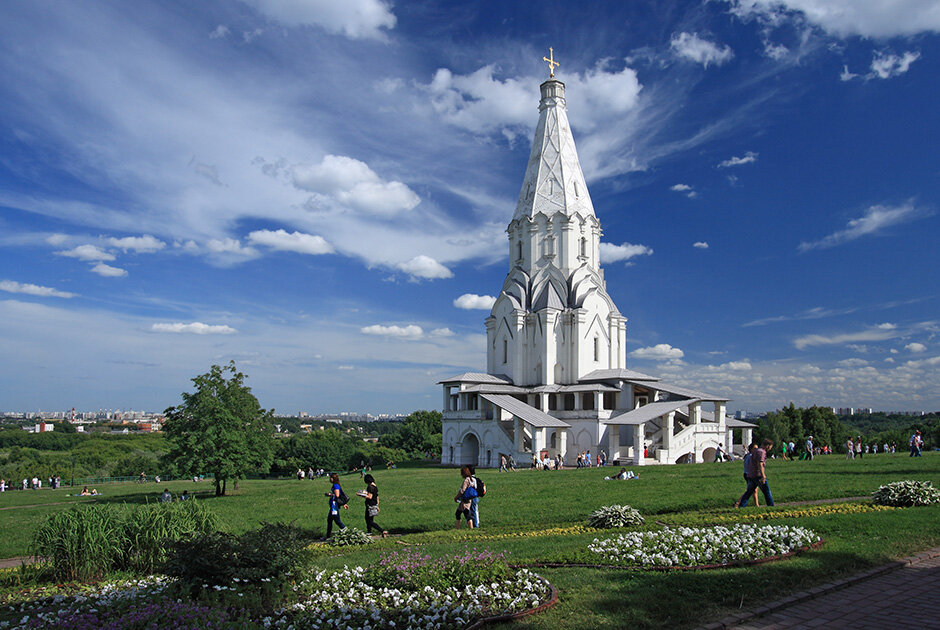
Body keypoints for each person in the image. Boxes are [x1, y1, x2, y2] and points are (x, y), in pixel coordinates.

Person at [736, 439, 774, 507]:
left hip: (751, 475)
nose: (770, 449)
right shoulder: (762, 452)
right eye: (770, 447)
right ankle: (771, 506)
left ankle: (741, 506)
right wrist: (763, 476)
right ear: (767, 446)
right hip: (758, 475)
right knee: (767, 492)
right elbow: (760, 464)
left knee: (749, 492)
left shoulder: (756, 451)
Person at [325, 473, 348, 537]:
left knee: (337, 520)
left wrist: (329, 494)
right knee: (329, 520)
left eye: (330, 478)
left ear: (333, 479)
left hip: (334, 506)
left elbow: (337, 495)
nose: (329, 479)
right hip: (333, 506)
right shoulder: (336, 485)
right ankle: (327, 535)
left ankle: (345, 530)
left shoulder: (335, 485)